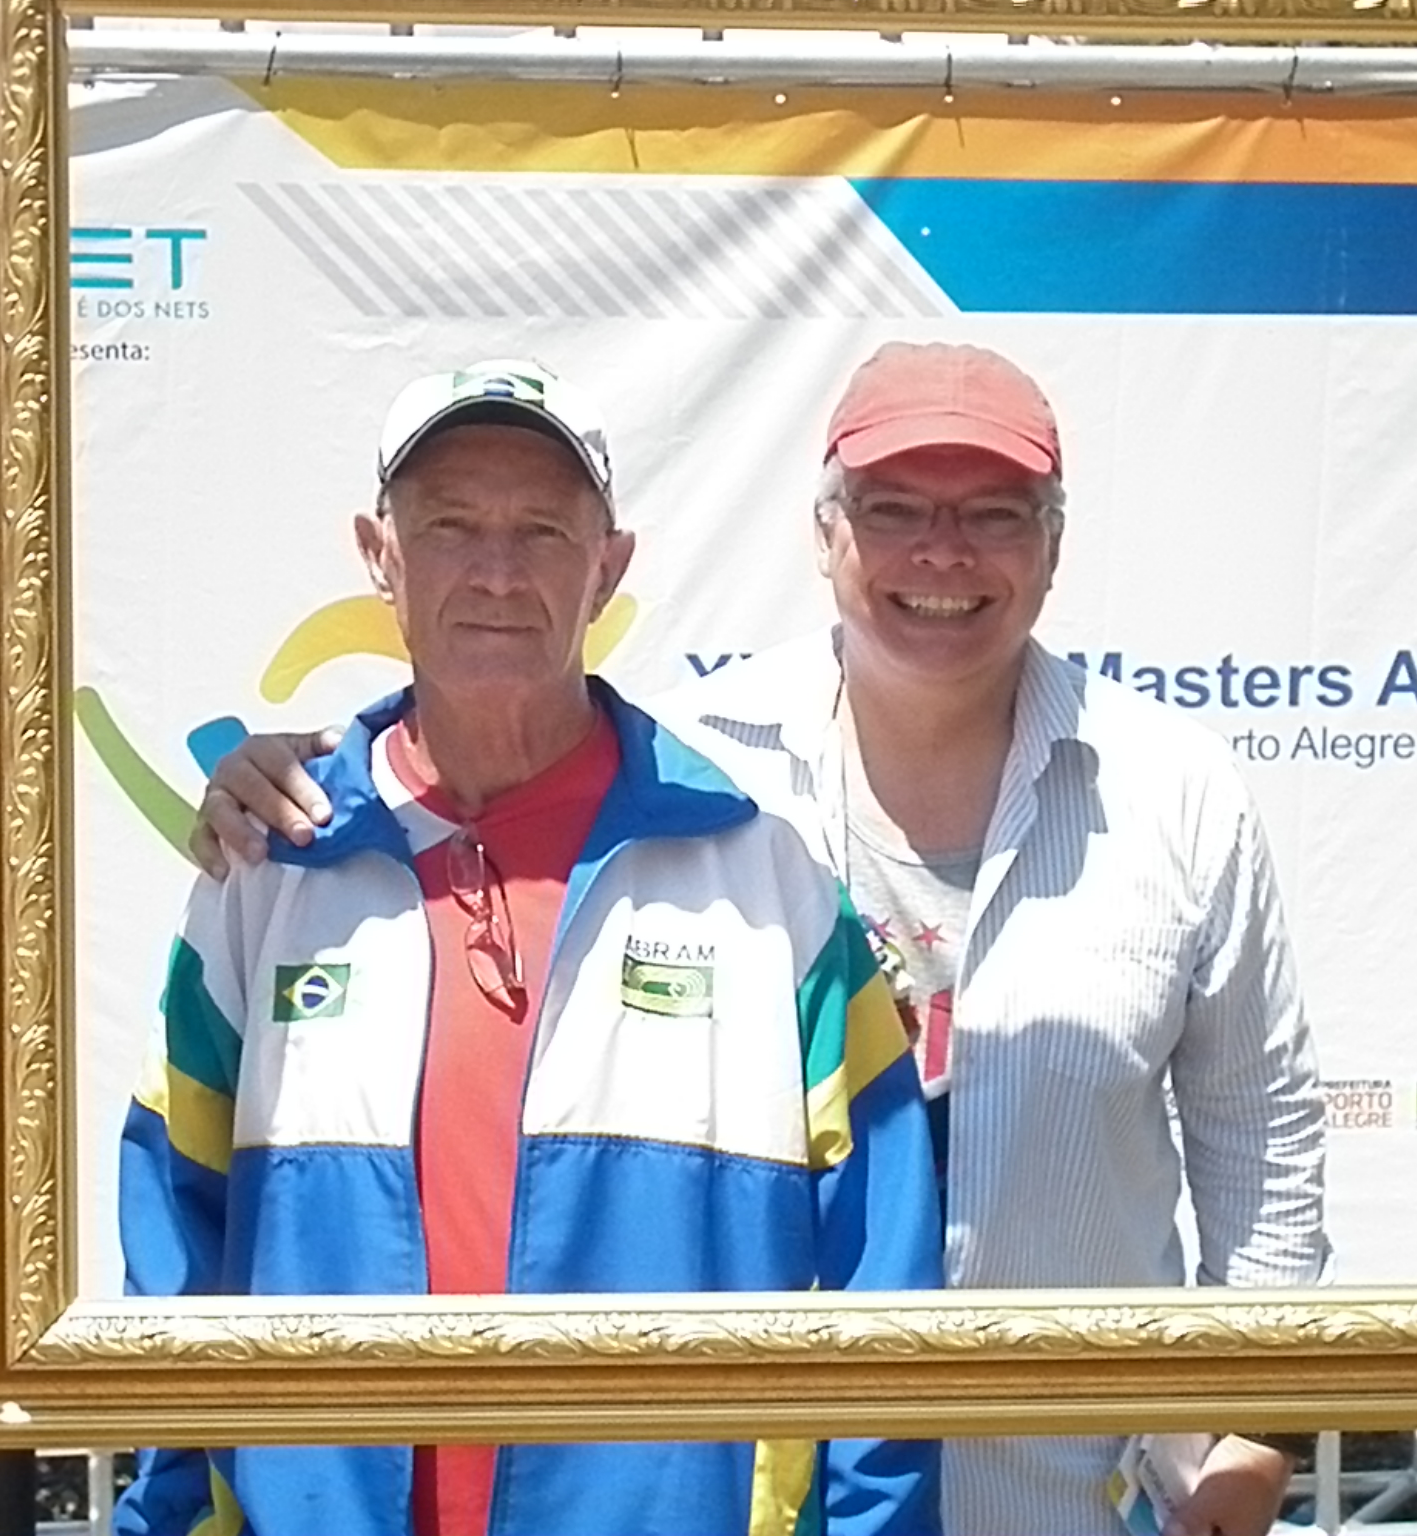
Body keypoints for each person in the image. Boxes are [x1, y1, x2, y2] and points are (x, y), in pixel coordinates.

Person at [194, 343, 1329, 1536]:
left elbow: (1259, 1131)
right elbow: (469, 754)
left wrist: (1253, 1429)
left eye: (993, 514)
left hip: (1075, 1490)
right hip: (789, 1493)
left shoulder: (1174, 792)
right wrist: (304, 781)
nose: (941, 554)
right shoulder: (685, 773)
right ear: (824, 533)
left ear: (1052, 545)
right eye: (892, 509)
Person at [118, 361, 943, 1536]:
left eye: (542, 531)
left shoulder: (765, 878)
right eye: (449, 525)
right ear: (379, 555)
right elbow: (170, 1262)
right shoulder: (267, 870)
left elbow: (886, 1284)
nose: (496, 573)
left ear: (609, 567)